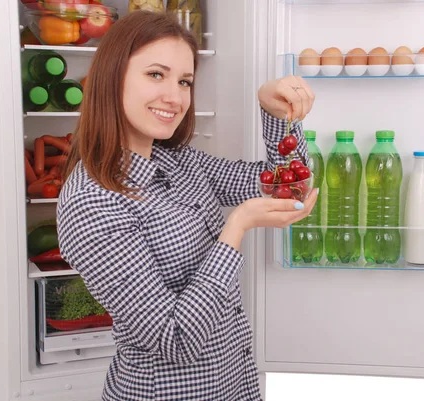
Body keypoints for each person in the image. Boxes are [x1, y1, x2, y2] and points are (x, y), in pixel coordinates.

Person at [57, 10, 317, 401]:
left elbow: (287, 185)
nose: (174, 97)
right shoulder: (92, 202)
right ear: (113, 78)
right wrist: (236, 228)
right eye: (155, 75)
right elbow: (175, 340)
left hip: (235, 384)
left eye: (184, 81)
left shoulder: (179, 162)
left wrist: (277, 114)